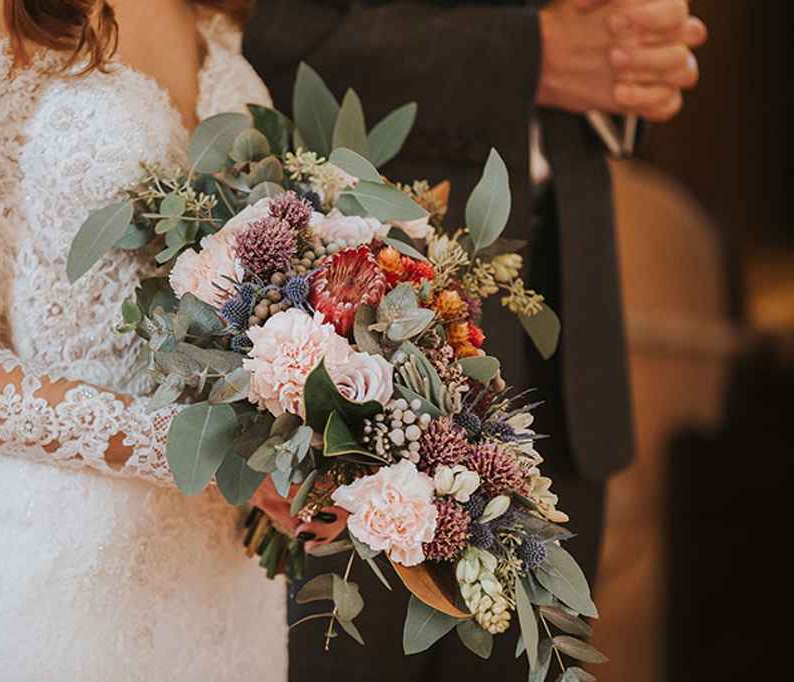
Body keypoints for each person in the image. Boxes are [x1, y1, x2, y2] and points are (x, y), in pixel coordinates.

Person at [0, 1, 344, 678]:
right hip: (39, 578)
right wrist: (195, 446)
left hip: (221, 590)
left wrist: (319, 440)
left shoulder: (210, 12)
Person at [244, 0, 706, 679]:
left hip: (564, 318)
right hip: (369, 346)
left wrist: (629, 52)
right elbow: (265, 33)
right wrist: (526, 54)